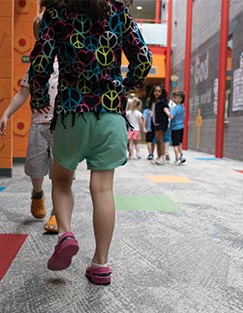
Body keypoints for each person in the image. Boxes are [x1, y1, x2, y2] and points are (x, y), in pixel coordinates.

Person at [28, 0, 152, 285]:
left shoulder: (56, 13)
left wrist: (38, 99)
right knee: (103, 188)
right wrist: (124, 84)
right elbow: (143, 58)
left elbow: (41, 62)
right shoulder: (118, 11)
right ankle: (100, 264)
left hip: (72, 111)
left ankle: (66, 233)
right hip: (110, 114)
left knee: (61, 179)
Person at [0, 14, 59, 233]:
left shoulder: (70, 62)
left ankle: (56, 213)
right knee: (36, 168)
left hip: (62, 126)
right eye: (42, 32)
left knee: (60, 172)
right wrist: (6, 114)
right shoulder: (36, 64)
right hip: (39, 124)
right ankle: (37, 193)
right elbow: (23, 93)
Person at [148, 85, 169, 165]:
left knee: (160, 139)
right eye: (155, 91)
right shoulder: (152, 102)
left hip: (161, 123)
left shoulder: (163, 102)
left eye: (159, 91)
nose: (157, 93)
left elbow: (166, 110)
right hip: (154, 123)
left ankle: (162, 157)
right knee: (157, 140)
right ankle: (159, 156)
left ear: (162, 93)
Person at [168, 90, 186, 165]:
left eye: (176, 98)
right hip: (181, 127)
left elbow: (171, 116)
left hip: (175, 128)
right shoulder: (182, 107)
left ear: (181, 99)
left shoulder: (175, 108)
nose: (175, 99)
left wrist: (166, 111)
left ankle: (177, 158)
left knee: (175, 144)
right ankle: (181, 156)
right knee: (179, 143)